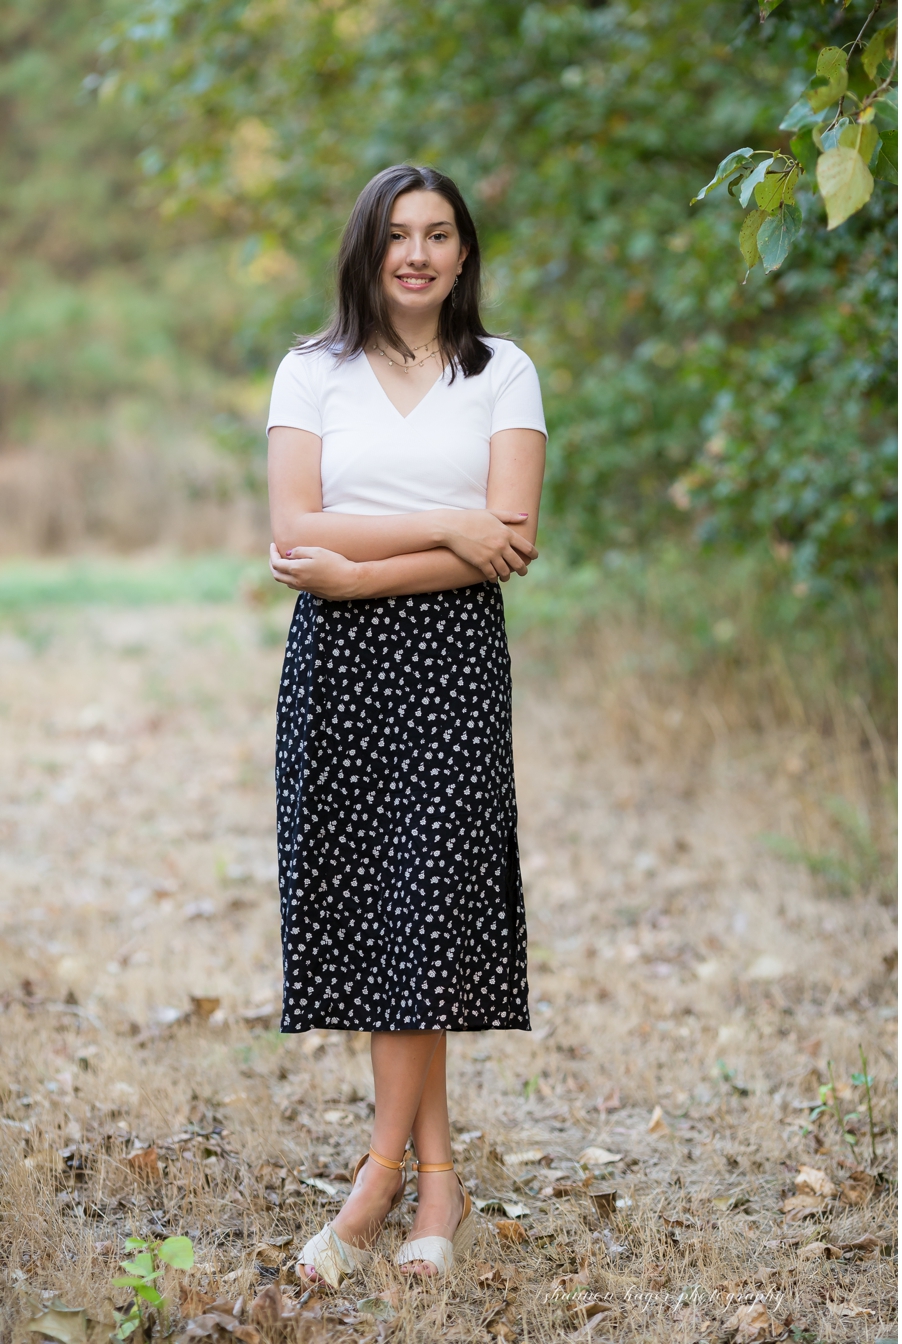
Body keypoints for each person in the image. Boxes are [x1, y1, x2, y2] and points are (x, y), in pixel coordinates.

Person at [264, 163, 548, 1284]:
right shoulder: (311, 371)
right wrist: (447, 524)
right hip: (336, 677)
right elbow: (294, 532)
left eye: (439, 235)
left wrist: (356, 567)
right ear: (368, 250)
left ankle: (376, 1181)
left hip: (452, 673)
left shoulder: (502, 372)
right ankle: (441, 1188)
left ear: (465, 255)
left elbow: (513, 541)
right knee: (382, 922)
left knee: (427, 909)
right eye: (398, 235)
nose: (418, 254)